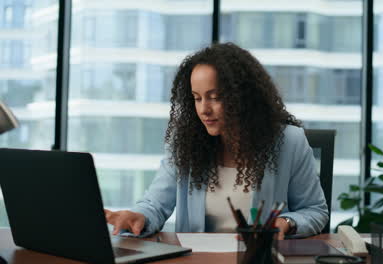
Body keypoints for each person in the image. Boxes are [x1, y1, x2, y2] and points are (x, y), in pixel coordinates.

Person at [105, 42, 329, 240]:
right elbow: (155, 204)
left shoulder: (289, 141)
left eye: (215, 97)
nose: (204, 109)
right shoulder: (186, 143)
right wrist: (138, 216)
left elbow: (315, 211)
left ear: (243, 97)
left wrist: (287, 223)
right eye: (197, 98)